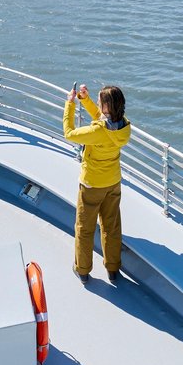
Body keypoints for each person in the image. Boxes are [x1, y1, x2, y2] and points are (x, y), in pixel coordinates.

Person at [63, 83, 132, 285]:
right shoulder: (124, 126)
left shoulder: (98, 132)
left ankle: (83, 270)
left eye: (100, 102)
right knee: (111, 226)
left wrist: (71, 104)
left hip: (92, 185)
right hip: (113, 182)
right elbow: (101, 119)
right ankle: (112, 269)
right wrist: (85, 99)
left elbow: (69, 133)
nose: (99, 105)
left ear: (107, 107)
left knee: (85, 228)